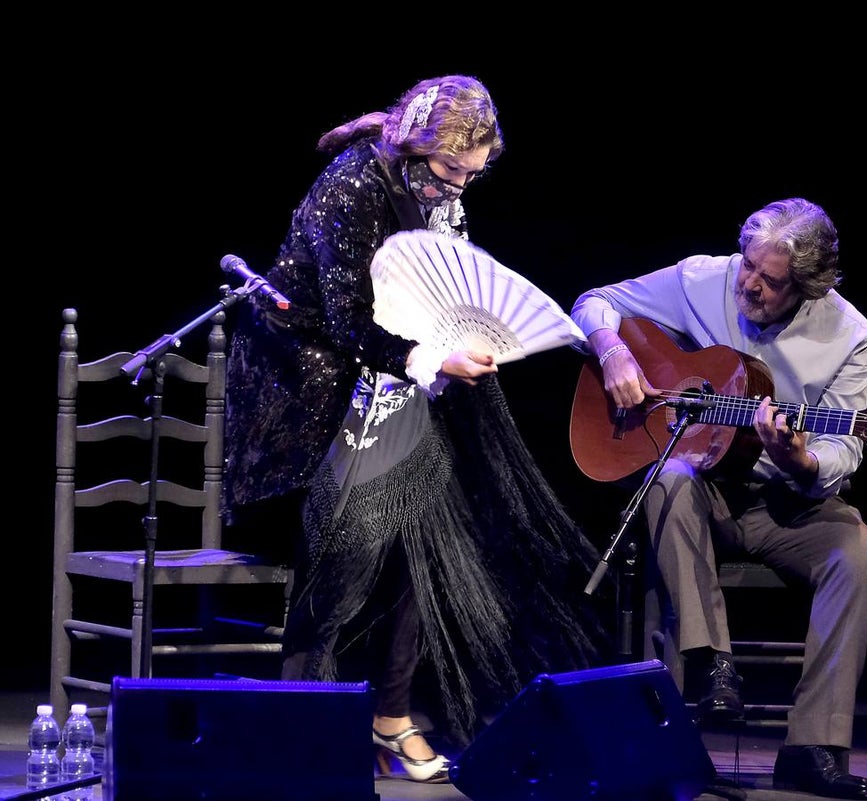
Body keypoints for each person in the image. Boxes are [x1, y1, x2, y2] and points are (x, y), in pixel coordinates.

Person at [223, 75, 610, 784]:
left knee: (439, 522)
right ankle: (303, 721)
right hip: (303, 393)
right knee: (360, 527)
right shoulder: (352, 186)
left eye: (473, 175)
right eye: (451, 169)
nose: (459, 186)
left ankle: (391, 712)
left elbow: (446, 289)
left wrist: (453, 351)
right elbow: (343, 321)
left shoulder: (440, 196)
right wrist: (427, 359)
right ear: (413, 147)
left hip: (389, 387)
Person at [570, 197, 867, 799]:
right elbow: (593, 302)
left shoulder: (850, 335)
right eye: (749, 266)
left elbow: (843, 451)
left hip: (786, 502)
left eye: (771, 281)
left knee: (860, 554)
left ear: (807, 289)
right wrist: (612, 351)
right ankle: (712, 664)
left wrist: (800, 459)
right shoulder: (701, 279)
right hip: (702, 494)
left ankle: (813, 747)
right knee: (669, 475)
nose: (750, 285)